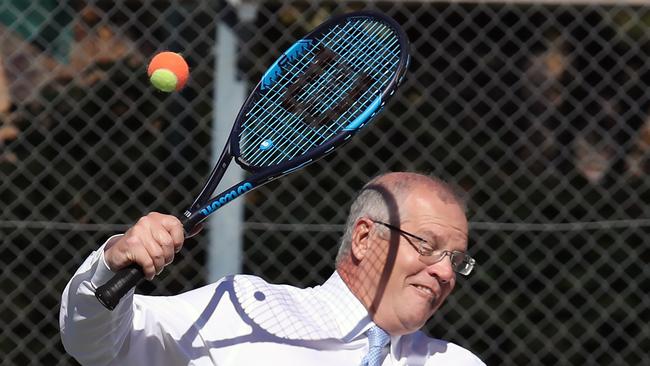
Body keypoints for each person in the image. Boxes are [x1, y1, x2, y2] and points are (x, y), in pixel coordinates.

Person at [60, 172, 485, 365]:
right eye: (428, 246)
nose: (446, 273)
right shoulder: (241, 310)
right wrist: (112, 261)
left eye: (457, 259)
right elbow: (98, 346)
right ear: (362, 239)